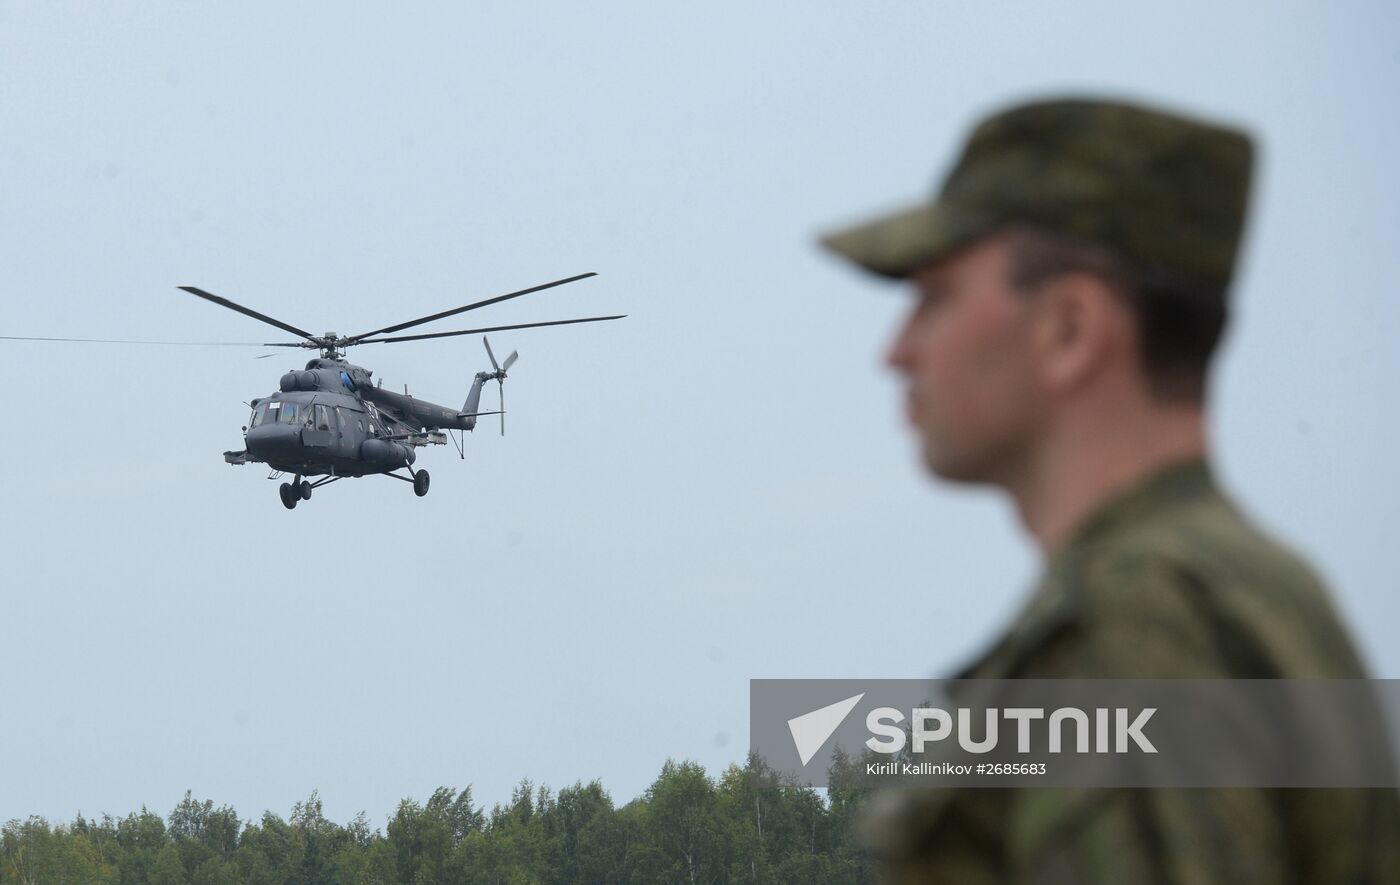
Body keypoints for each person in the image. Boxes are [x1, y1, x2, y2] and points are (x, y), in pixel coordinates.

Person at [820, 98, 1399, 883]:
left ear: (1069, 329)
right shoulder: (1261, 588)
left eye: (936, 297)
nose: (898, 350)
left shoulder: (1129, 624)